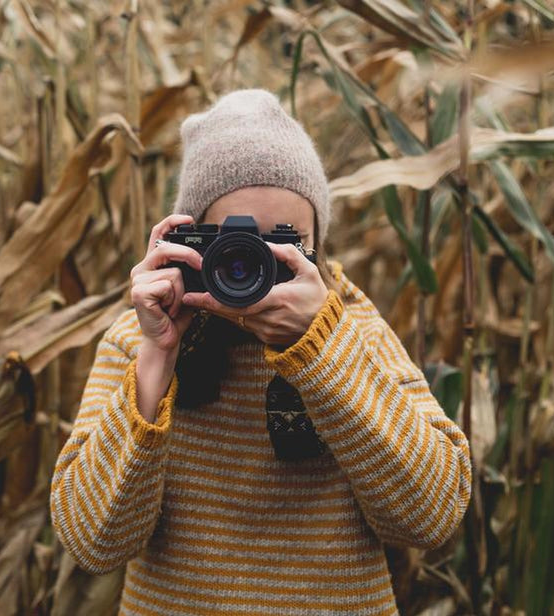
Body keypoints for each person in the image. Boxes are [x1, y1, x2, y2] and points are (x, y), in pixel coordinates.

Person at [50, 88, 472, 615]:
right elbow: (94, 541)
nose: (253, 264)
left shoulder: (352, 330)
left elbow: (429, 517)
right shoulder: (140, 338)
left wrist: (319, 350)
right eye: (234, 243)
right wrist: (156, 360)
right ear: (191, 239)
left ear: (318, 242)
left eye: (285, 243)